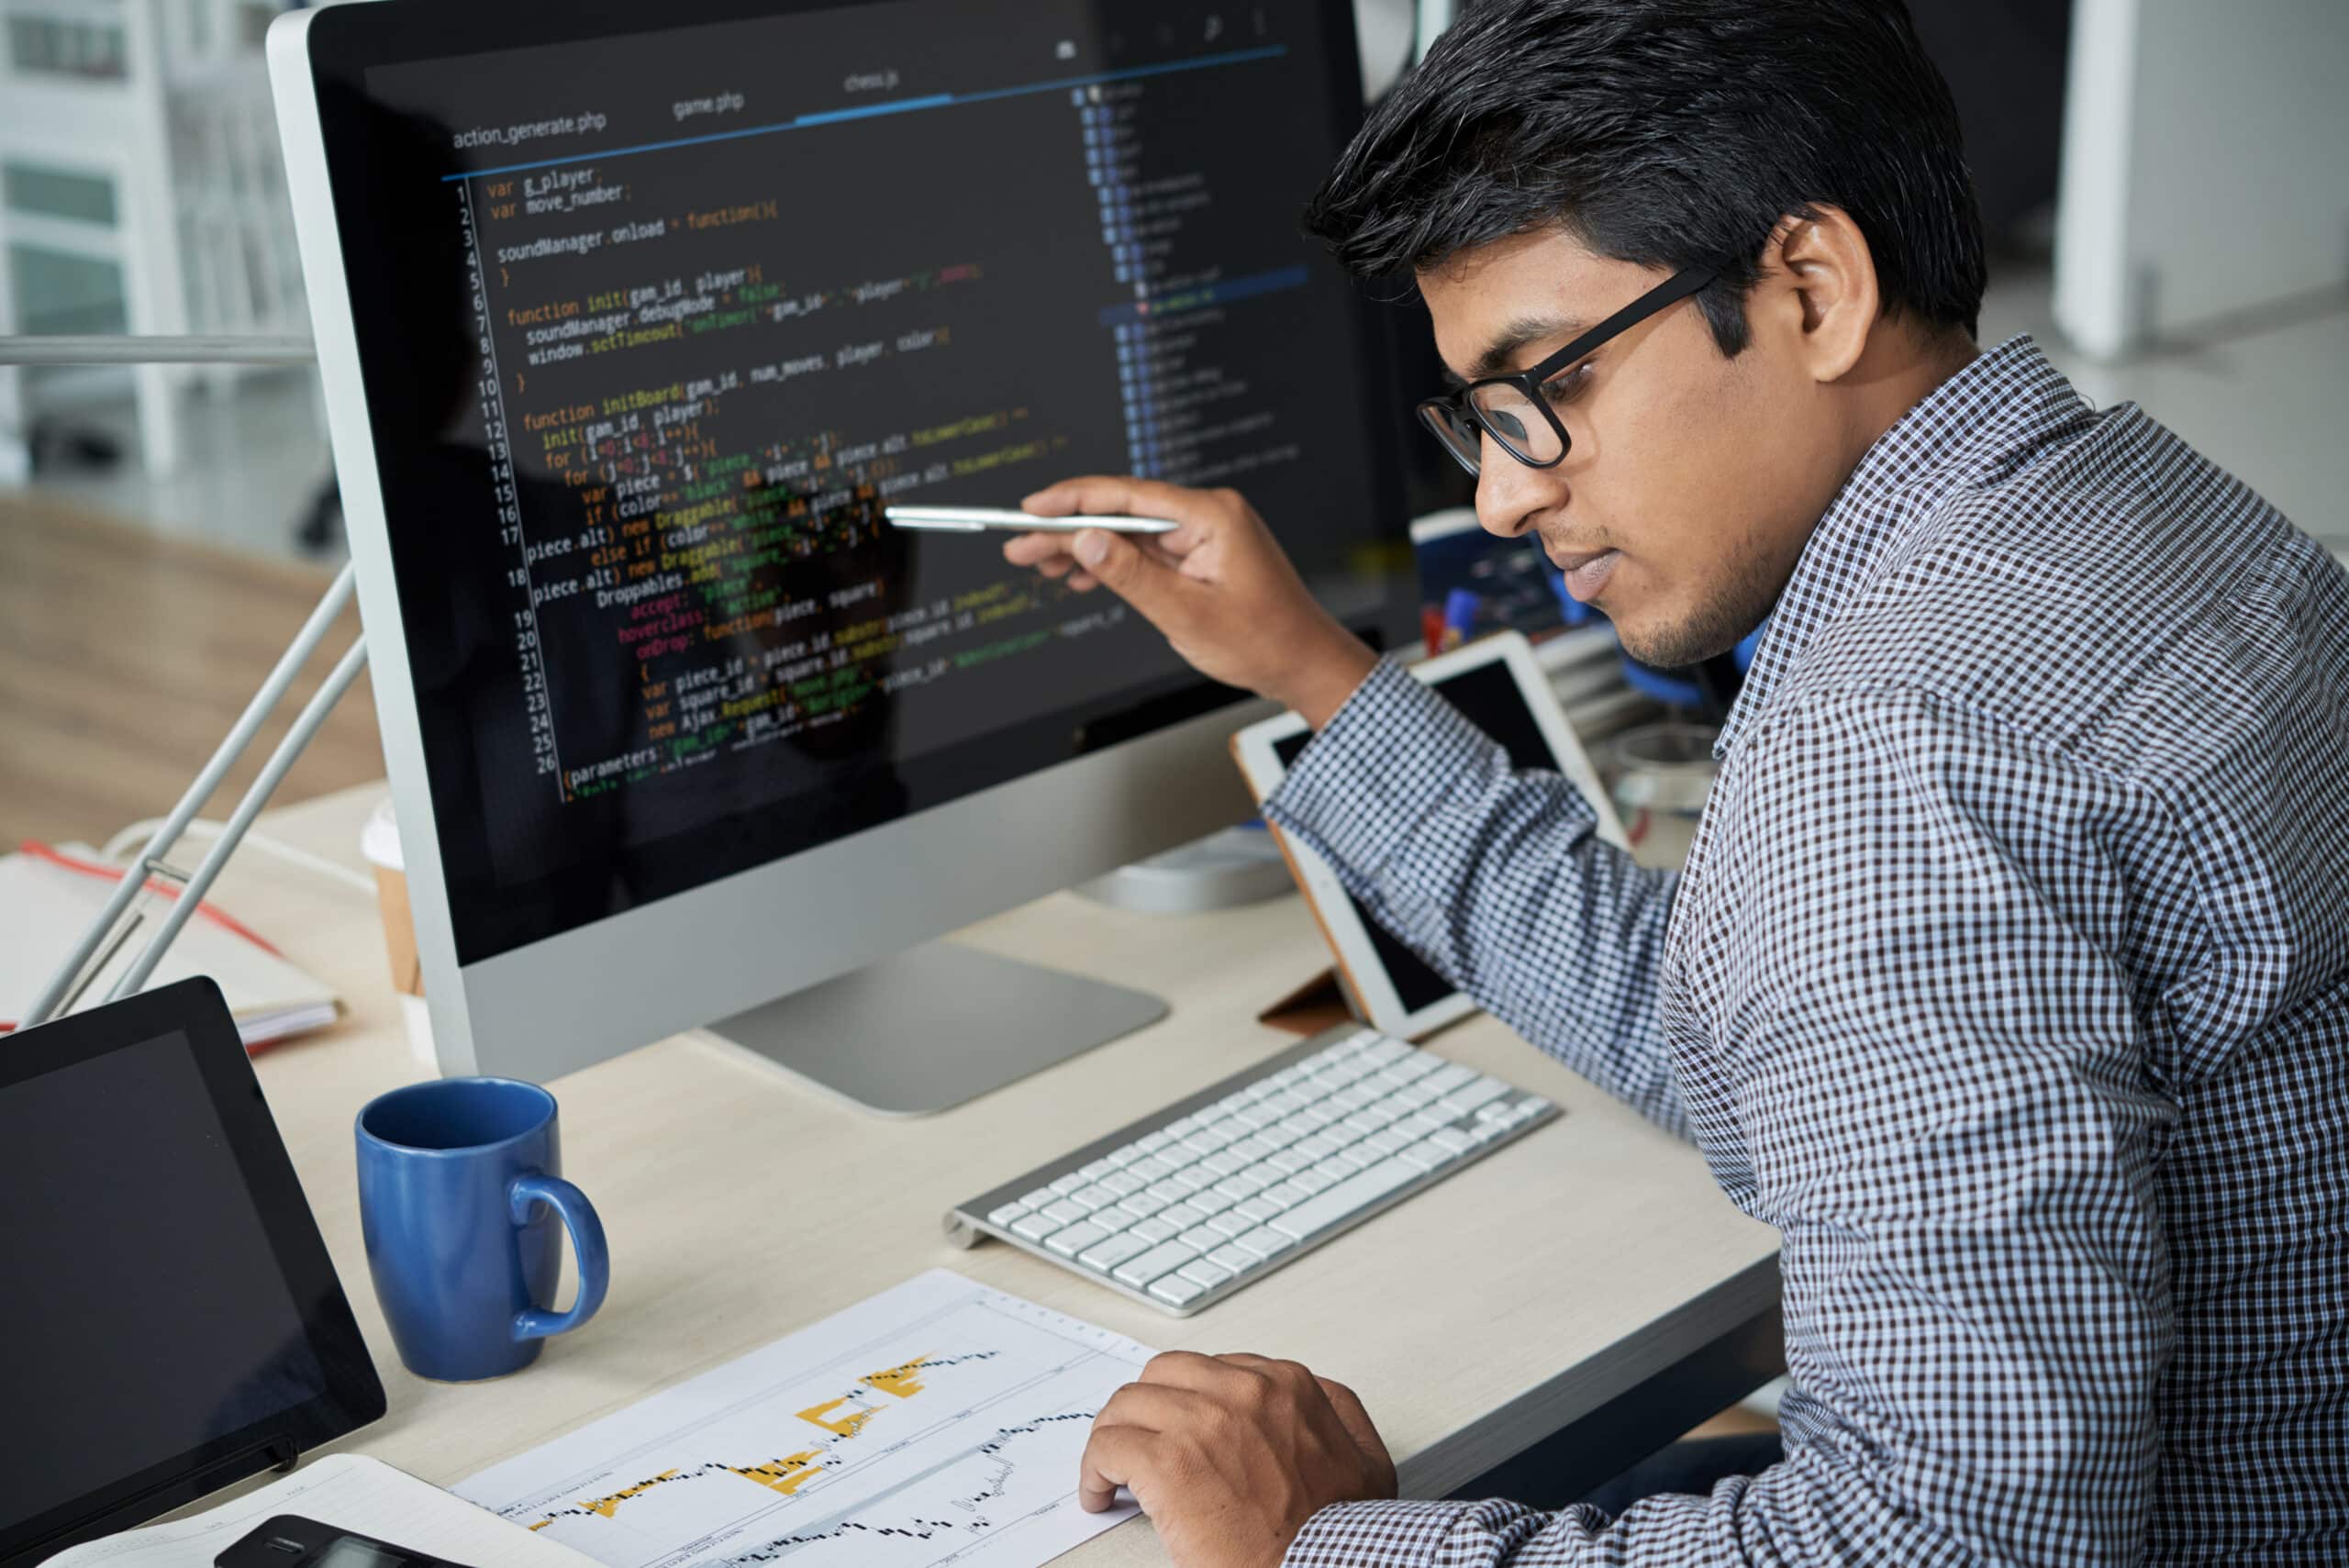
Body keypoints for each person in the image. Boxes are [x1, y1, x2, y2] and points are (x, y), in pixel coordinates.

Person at [1003, 2, 2349, 1563]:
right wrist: (1316, 672)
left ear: (1812, 288)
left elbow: (1948, 1544)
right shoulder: (2168, 520)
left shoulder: (1893, 755)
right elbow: (1756, 1032)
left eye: (1540, 385)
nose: (1504, 492)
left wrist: (1322, 1546)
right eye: (1476, 420)